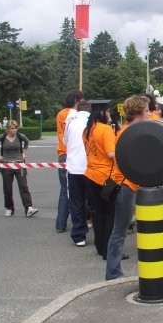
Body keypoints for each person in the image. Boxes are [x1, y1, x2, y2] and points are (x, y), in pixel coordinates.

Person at [106, 95, 149, 280]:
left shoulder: (131, 131)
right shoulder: (129, 133)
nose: (149, 113)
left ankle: (114, 271)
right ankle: (113, 272)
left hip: (129, 183)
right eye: (147, 110)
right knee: (119, 231)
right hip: (125, 185)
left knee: (121, 231)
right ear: (139, 111)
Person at [83, 100, 116, 260]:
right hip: (106, 177)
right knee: (110, 214)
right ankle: (108, 249)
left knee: (97, 214)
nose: (110, 114)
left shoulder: (87, 130)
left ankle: (100, 246)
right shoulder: (105, 129)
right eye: (108, 112)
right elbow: (111, 154)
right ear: (103, 113)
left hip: (90, 174)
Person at [0, 120, 38, 217]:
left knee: (23, 186)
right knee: (7, 188)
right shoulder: (2, 137)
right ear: (8, 128)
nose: (14, 130)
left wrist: (24, 152)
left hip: (19, 164)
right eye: (12, 128)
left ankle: (28, 208)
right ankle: (9, 208)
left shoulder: (20, 136)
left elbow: (27, 141)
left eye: (16, 128)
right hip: (6, 165)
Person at [55, 90, 84, 233]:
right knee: (75, 190)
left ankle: (60, 223)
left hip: (62, 152)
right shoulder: (73, 115)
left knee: (64, 189)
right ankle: (78, 222)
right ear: (77, 101)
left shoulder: (61, 114)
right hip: (72, 153)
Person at [64, 100, 91, 247]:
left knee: (76, 202)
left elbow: (65, 141)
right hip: (90, 167)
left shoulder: (71, 122)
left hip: (74, 167)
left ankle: (79, 235)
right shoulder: (93, 122)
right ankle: (99, 230)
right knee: (94, 201)